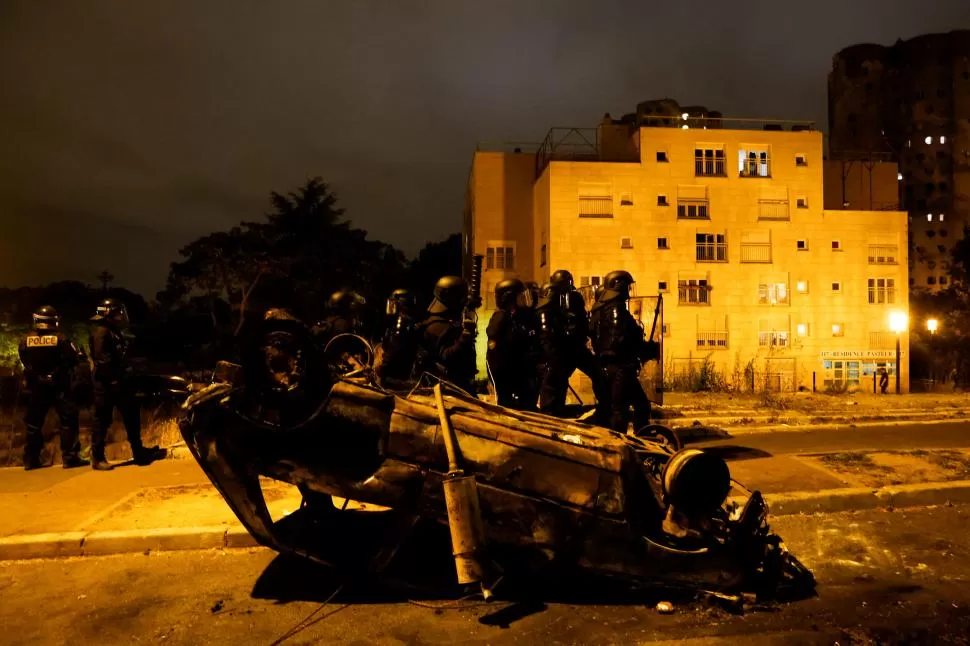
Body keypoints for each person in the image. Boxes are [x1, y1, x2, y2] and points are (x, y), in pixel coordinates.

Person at [89, 298, 163, 470]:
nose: (121, 315)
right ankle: (97, 458)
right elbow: (102, 360)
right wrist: (113, 379)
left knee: (132, 416)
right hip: (106, 385)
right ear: (109, 313)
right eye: (118, 312)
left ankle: (138, 451)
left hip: (119, 382)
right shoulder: (102, 332)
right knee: (102, 420)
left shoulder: (113, 331)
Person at [18, 306, 88, 470]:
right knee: (68, 421)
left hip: (36, 387)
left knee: (33, 424)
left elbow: (25, 361)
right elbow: (74, 359)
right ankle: (70, 458)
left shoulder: (26, 340)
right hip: (60, 386)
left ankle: (31, 459)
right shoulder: (62, 339)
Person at [590, 270, 660, 434]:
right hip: (621, 368)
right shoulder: (615, 308)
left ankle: (637, 439)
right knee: (621, 409)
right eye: (627, 287)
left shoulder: (598, 310)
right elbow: (619, 340)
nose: (628, 291)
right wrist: (645, 349)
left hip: (609, 367)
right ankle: (625, 444)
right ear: (618, 286)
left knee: (633, 405)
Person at [537, 269, 604, 417]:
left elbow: (580, 320)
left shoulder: (574, 298)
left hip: (575, 346)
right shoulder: (550, 301)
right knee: (556, 378)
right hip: (566, 348)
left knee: (596, 372)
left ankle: (605, 407)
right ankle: (552, 411)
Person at [414, 276, 477, 395]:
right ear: (452, 298)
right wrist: (465, 337)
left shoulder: (444, 321)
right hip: (448, 387)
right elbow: (445, 356)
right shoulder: (439, 326)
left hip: (453, 385)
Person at [486, 279, 537, 409]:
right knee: (508, 405)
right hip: (506, 374)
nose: (524, 300)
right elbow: (494, 337)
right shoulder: (502, 316)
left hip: (515, 370)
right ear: (509, 298)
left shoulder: (515, 316)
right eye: (520, 296)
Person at [376, 288, 422, 387]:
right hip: (402, 374)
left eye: (393, 302)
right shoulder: (409, 321)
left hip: (394, 379)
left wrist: (382, 369)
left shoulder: (401, 324)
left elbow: (394, 351)